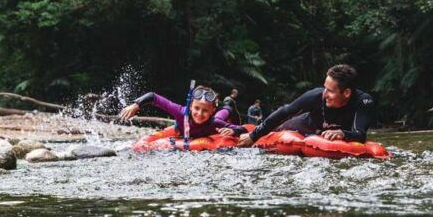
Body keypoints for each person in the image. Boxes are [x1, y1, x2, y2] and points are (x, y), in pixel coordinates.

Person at [237, 64, 375, 146]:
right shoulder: (315, 96)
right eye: (324, 88)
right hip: (302, 125)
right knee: (280, 126)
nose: (324, 94)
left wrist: (342, 133)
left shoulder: (363, 101)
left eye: (331, 91)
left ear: (346, 93)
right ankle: (239, 129)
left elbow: (360, 135)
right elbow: (284, 112)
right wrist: (253, 136)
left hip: (324, 134)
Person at [119, 86, 246, 138]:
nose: (200, 114)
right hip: (184, 128)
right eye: (197, 108)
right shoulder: (180, 112)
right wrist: (136, 105)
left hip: (217, 119)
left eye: (205, 110)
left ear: (212, 110)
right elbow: (154, 97)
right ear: (190, 106)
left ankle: (229, 104)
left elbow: (244, 129)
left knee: (225, 112)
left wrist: (234, 131)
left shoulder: (215, 121)